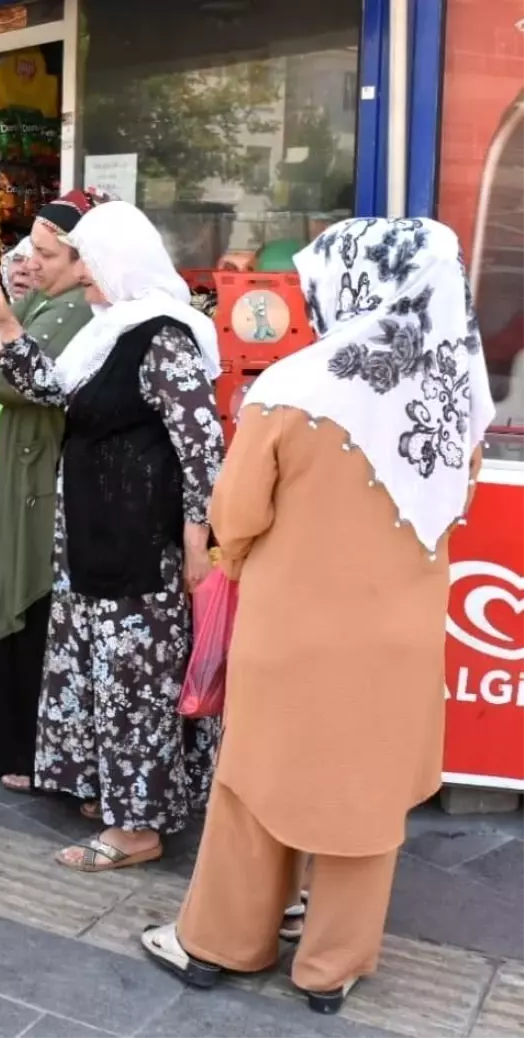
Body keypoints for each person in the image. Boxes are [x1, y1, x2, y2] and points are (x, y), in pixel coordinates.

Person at [141, 218, 493, 1015]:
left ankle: (223, 945)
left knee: (256, 785)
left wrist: (231, 562)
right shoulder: (455, 390)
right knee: (362, 798)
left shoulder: (294, 385)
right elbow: (456, 504)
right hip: (397, 639)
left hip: (288, 630)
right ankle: (330, 968)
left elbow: (236, 515)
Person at [0, 200, 224, 872]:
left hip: (139, 547)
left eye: (89, 265)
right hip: (87, 539)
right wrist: (3, 316)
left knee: (135, 686)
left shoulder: (164, 335)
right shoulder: (108, 332)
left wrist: (197, 543)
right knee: (96, 676)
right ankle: (110, 792)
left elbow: (202, 447)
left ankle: (138, 827)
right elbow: (48, 388)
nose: (83, 280)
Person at [0, 192, 97, 791]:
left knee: (26, 611)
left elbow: (3, 377)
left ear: (82, 259)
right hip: (17, 474)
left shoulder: (74, 310)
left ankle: (24, 749)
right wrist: (0, 332)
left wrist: (0, 336)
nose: (33, 265)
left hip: (36, 482)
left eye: (46, 254)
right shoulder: (47, 301)